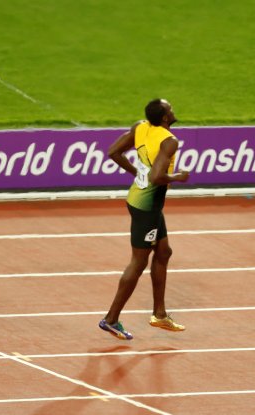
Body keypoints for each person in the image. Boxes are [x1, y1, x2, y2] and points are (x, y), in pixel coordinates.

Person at [99, 98, 190, 340]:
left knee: (164, 252)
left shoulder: (140, 127)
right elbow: (157, 176)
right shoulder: (169, 141)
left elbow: (113, 152)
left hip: (142, 201)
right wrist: (179, 176)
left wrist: (136, 172)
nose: (173, 109)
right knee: (138, 262)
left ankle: (159, 314)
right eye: (170, 108)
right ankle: (111, 319)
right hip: (146, 206)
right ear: (164, 118)